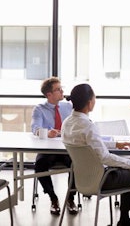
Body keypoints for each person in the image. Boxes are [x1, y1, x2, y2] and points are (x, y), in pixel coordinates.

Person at [62, 83, 130, 226]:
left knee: (126, 168)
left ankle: (124, 220)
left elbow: (90, 145)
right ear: (89, 102)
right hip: (103, 179)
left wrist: (116, 145)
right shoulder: (88, 125)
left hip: (82, 180)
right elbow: (105, 157)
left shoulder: (67, 123)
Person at [31, 77, 77, 216]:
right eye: (58, 89)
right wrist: (46, 132)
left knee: (78, 163)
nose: (62, 91)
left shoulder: (68, 106)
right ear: (49, 94)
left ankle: (71, 198)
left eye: (61, 88)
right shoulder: (39, 109)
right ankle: (53, 198)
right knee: (39, 165)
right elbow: (35, 128)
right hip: (48, 149)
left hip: (67, 148)